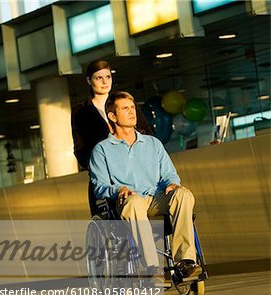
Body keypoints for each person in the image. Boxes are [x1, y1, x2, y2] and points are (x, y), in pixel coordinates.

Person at [89, 91, 202, 280]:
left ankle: (185, 262)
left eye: (133, 108)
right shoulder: (102, 150)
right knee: (133, 203)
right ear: (112, 116)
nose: (132, 112)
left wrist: (172, 184)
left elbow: (169, 173)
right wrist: (117, 189)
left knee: (184, 194)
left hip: (157, 196)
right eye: (125, 108)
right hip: (129, 200)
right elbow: (99, 186)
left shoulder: (153, 143)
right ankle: (151, 267)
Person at [72, 60, 151, 215]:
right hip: (105, 173)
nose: (104, 82)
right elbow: (80, 147)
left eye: (108, 77)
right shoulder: (82, 112)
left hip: (136, 169)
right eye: (98, 78)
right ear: (89, 80)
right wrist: (98, 166)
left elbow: (146, 132)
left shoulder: (124, 102)